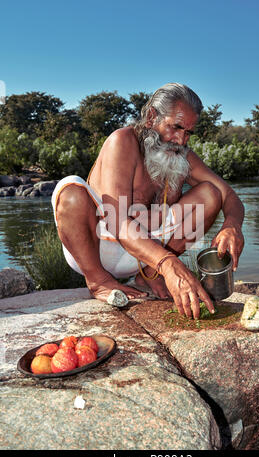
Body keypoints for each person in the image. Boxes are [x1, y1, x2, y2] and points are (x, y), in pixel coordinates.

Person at [51, 83, 244, 319]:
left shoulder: (182, 154)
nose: (181, 140)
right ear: (152, 116)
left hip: (147, 256)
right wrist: (170, 264)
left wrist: (232, 225)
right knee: (70, 189)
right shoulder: (122, 141)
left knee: (210, 195)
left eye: (188, 132)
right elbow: (117, 221)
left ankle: (147, 276)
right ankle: (98, 281)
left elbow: (229, 194)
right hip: (100, 248)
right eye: (176, 127)